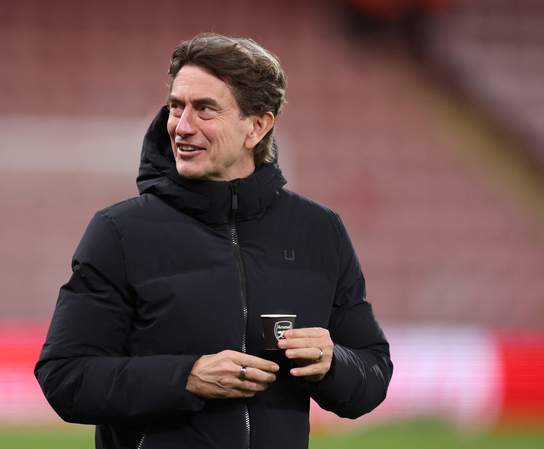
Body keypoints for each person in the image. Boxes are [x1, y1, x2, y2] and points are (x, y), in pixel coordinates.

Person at [35, 32, 393, 449]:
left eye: (204, 109)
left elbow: (373, 373)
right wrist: (187, 377)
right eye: (176, 107)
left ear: (257, 126)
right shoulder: (120, 232)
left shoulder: (319, 231)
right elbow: (65, 376)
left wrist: (333, 363)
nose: (182, 126)